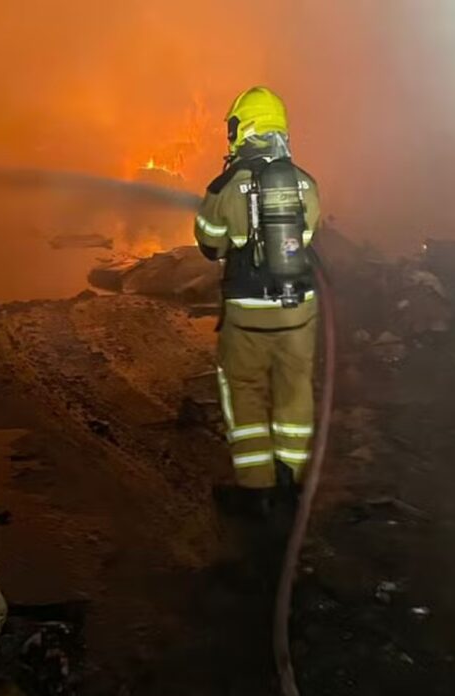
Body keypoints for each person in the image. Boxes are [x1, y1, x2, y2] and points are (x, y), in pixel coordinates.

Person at [194, 86, 322, 519]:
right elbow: (309, 237)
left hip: (248, 311)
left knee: (244, 391)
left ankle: (257, 491)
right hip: (299, 308)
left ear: (241, 129)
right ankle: (290, 483)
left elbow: (209, 244)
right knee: (295, 390)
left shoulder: (227, 185)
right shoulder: (305, 182)